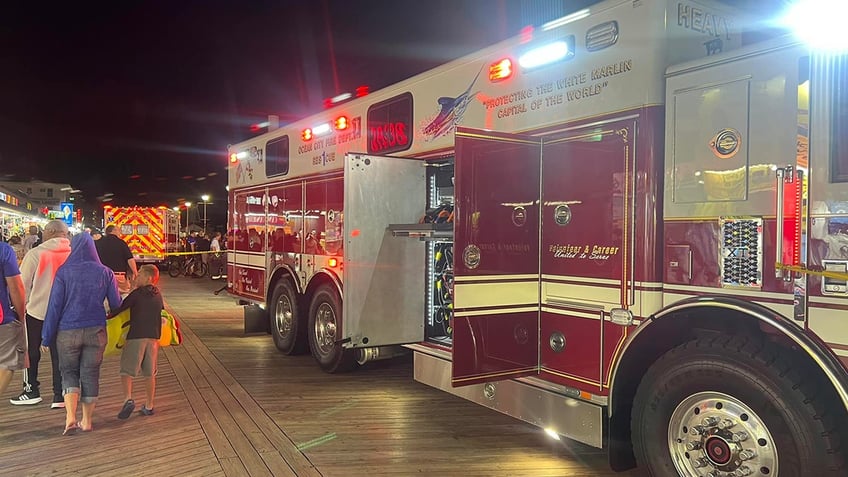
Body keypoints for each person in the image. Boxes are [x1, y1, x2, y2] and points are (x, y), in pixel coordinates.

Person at [42, 232, 122, 435]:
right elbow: (115, 305)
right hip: (96, 331)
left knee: (68, 372)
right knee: (90, 374)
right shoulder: (106, 272)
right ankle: (86, 421)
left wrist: (46, 336)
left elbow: (54, 307)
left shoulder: (63, 272)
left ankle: (70, 417)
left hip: (67, 331)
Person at [11, 220, 71, 408]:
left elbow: (22, 285)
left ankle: (31, 390)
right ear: (64, 233)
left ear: (50, 232)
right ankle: (60, 394)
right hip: (65, 313)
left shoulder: (36, 254)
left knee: (31, 351)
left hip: (38, 311)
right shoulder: (73, 253)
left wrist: (22, 307)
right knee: (59, 353)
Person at [107, 264, 163, 419]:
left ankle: (128, 399)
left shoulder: (137, 294)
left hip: (136, 336)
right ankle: (149, 405)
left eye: (140, 275)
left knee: (127, 371)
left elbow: (119, 308)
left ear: (149, 278)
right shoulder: (158, 294)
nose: (136, 277)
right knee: (150, 373)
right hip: (153, 338)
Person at [0, 241, 27, 400]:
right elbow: (16, 287)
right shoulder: (4, 250)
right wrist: (21, 315)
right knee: (6, 363)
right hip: (3, 318)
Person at [95, 225, 137, 295]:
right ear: (113, 231)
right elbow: (130, 259)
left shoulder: (98, 243)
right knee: (121, 297)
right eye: (118, 230)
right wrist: (135, 272)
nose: (120, 232)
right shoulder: (121, 243)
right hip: (118, 277)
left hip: (102, 276)